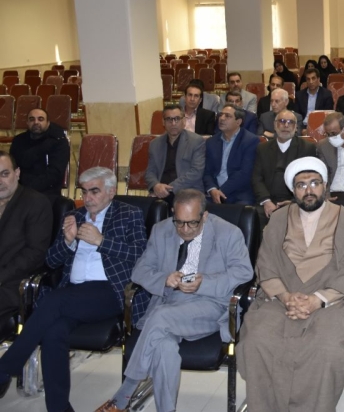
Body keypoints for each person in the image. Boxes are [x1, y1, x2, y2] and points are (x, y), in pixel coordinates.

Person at [0, 167, 147, 411]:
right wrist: (67, 242)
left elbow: (141, 255)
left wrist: (101, 241)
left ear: (111, 191)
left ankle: (6, 368)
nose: (87, 198)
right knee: (53, 332)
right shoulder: (74, 216)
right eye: (84, 191)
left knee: (55, 301)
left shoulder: (129, 214)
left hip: (110, 291)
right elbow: (51, 261)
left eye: (94, 191)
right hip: (74, 292)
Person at [94, 189, 253, 412]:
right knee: (163, 347)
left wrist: (204, 283)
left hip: (209, 305)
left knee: (160, 317)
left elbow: (243, 273)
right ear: (172, 214)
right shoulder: (161, 230)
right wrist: (164, 279)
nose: (185, 229)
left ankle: (124, 393)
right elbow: (140, 271)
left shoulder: (228, 233)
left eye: (192, 223)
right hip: (168, 304)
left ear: (205, 216)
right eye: (179, 222)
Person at [237, 157, 344, 412]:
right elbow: (266, 263)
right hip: (279, 299)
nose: (309, 190)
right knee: (257, 341)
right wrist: (286, 297)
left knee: (326, 349)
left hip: (331, 302)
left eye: (315, 183)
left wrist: (317, 300)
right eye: (301, 185)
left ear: (325, 186)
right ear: (293, 190)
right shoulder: (278, 219)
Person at [0, 151, 51, 320]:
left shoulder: (35, 203)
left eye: (4, 174)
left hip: (13, 282)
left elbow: (35, 253)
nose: (0, 181)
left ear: (17, 173)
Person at [252, 109, 316, 226]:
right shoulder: (263, 148)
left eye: (290, 122)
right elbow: (257, 178)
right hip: (267, 200)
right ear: (275, 125)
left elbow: (310, 179)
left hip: (295, 201)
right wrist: (266, 201)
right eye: (282, 121)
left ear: (296, 127)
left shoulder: (307, 148)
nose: (286, 125)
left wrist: (294, 202)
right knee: (255, 218)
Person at [145, 104, 206, 206]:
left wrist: (169, 189)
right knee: (147, 209)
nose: (173, 123)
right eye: (169, 119)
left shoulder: (196, 141)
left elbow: (196, 172)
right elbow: (150, 172)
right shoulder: (155, 144)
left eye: (177, 119)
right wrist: (156, 186)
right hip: (160, 191)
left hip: (187, 191)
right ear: (163, 122)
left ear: (184, 121)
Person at [9, 108, 69, 203]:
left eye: (40, 119)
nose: (36, 122)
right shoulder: (18, 141)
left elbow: (55, 173)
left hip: (48, 192)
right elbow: (13, 168)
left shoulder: (58, 142)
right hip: (20, 189)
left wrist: (29, 188)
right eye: (32, 119)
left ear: (48, 123)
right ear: (27, 123)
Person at [203, 104, 259, 205]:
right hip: (214, 193)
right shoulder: (211, 142)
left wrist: (221, 191)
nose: (222, 118)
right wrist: (212, 189)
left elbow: (245, 173)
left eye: (227, 116)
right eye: (221, 115)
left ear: (238, 122)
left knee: (243, 208)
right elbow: (207, 172)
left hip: (239, 193)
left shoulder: (250, 141)